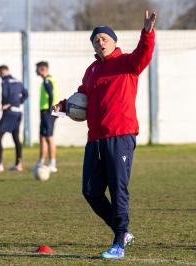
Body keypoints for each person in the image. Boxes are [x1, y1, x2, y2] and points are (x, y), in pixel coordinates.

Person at [54, 10, 156, 259]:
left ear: (114, 41)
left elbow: (145, 53)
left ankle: (119, 242)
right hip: (95, 139)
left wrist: (148, 32)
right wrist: (64, 106)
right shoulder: (91, 71)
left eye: (104, 38)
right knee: (90, 190)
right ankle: (123, 231)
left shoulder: (127, 63)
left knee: (118, 189)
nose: (101, 42)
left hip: (120, 135)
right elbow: (83, 97)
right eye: (96, 39)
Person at [0, 65, 28, 172]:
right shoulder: (18, 81)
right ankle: (18, 164)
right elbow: (26, 94)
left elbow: (5, 95)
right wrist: (17, 103)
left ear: (3, 72)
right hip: (18, 112)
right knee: (16, 138)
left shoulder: (5, 82)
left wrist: (7, 104)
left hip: (9, 113)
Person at [35, 61, 59, 172]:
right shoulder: (49, 80)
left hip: (48, 112)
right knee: (42, 137)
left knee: (49, 137)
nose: (36, 71)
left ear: (43, 69)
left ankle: (53, 163)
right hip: (44, 111)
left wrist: (50, 109)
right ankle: (41, 162)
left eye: (37, 69)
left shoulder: (47, 80)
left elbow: (51, 95)